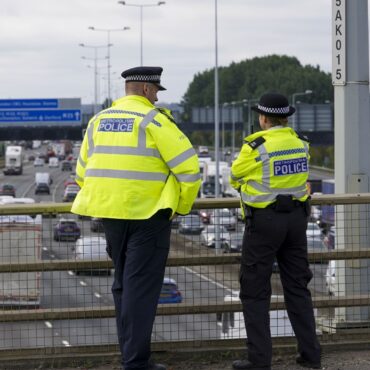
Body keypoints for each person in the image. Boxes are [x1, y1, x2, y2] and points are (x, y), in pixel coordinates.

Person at [71, 66, 201, 370]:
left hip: (111, 216)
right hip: (149, 216)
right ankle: (135, 361)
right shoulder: (154, 121)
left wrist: (111, 198)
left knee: (123, 285)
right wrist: (179, 207)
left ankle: (129, 353)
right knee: (140, 287)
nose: (157, 97)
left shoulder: (98, 121)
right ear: (145, 89)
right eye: (156, 91)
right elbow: (189, 170)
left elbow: (81, 174)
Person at [229, 92, 321, 370]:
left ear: (263, 118)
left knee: (255, 291)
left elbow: (234, 176)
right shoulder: (301, 144)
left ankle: (259, 360)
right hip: (296, 221)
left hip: (264, 224)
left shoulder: (255, 146)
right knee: (297, 288)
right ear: (286, 117)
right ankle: (311, 355)